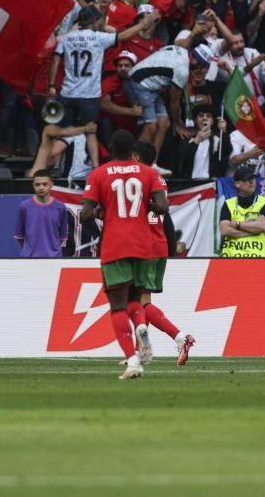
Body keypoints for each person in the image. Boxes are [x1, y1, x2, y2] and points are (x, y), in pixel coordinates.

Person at [81, 130, 169, 380]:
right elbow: (162, 207)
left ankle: (133, 360)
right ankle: (141, 325)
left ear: (110, 149)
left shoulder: (98, 174)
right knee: (136, 299)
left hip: (115, 245)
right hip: (144, 245)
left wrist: (102, 212)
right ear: (133, 151)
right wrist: (143, 208)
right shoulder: (150, 173)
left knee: (118, 306)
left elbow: (86, 214)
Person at [130, 140, 194, 366]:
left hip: (144, 247)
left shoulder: (137, 180)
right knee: (141, 302)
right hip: (158, 244)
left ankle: (179, 338)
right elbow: (162, 209)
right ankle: (140, 352)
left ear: (136, 157)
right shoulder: (159, 180)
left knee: (139, 304)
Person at [48, 6, 117, 127]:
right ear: (94, 20)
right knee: (89, 132)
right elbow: (121, 36)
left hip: (68, 93)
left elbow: (56, 60)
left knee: (65, 131)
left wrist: (52, 85)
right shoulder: (99, 37)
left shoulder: (67, 37)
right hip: (89, 95)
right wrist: (143, 24)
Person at [218, 165, 265, 257]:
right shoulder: (228, 204)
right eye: (246, 179)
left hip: (258, 260)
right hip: (231, 261)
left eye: (253, 178)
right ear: (237, 184)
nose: (251, 182)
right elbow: (225, 230)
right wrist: (254, 229)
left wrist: (237, 224)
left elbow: (264, 226)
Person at [15, 169, 69, 257]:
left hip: (54, 259)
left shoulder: (61, 207)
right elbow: (20, 236)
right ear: (33, 185)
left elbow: (62, 237)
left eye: (45, 184)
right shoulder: (24, 206)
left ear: (51, 185)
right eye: (37, 184)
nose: (41, 187)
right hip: (29, 258)